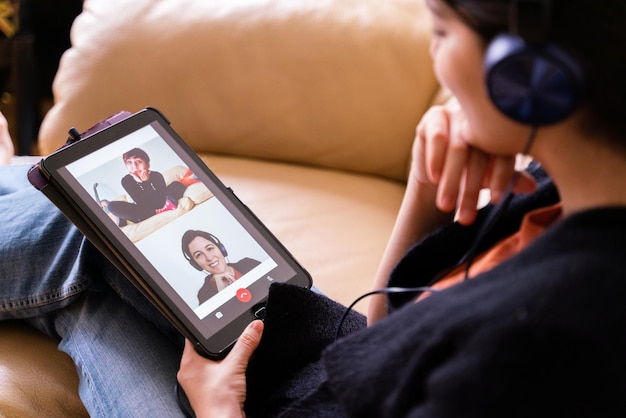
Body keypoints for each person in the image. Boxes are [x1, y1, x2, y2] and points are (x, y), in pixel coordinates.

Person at [0, 0, 625, 416]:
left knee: (81, 238)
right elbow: (389, 343)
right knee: (103, 243)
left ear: (528, 78)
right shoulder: (554, 194)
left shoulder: (550, 338)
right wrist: (428, 185)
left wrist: (216, 408)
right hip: (312, 360)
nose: (436, 56)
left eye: (440, 31)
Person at [101, 148, 194, 225]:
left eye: (138, 161)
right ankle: (157, 212)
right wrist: (142, 183)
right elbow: (143, 203)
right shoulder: (126, 180)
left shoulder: (156, 176)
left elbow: (159, 202)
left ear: (148, 164)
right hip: (140, 210)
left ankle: (191, 178)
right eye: (129, 162)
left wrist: (146, 182)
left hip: (158, 203)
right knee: (112, 206)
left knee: (175, 185)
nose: (134, 166)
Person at [180, 229, 261, 303]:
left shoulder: (249, 264)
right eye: (199, 255)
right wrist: (222, 294)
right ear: (195, 264)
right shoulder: (204, 295)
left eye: (209, 248)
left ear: (221, 249)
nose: (209, 257)